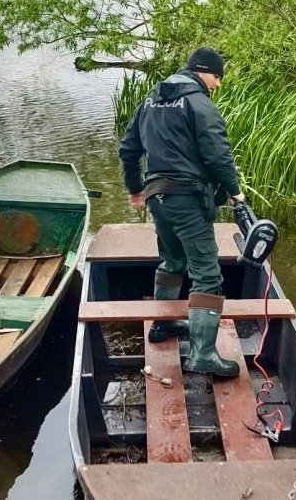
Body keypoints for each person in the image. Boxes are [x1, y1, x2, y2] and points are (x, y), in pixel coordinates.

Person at [118, 46, 245, 377]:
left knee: (173, 260)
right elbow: (219, 155)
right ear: (205, 72)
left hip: (157, 197)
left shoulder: (150, 100)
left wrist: (135, 188)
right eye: (217, 77)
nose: (217, 85)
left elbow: (128, 148)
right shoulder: (200, 105)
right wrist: (235, 192)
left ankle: (162, 325)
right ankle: (203, 353)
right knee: (207, 275)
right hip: (187, 199)